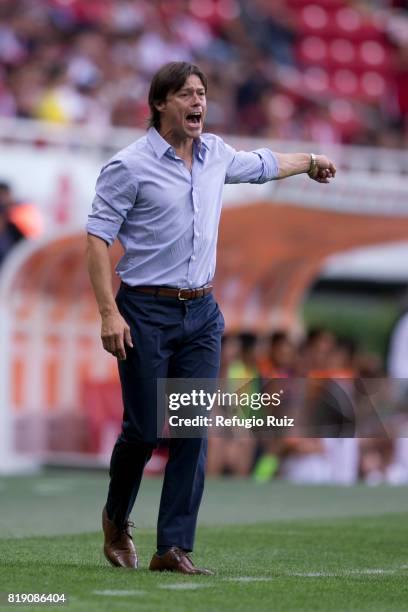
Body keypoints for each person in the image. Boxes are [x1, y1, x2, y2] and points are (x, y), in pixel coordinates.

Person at [86, 61, 336, 575]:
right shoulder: (128, 166)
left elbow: (264, 163)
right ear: (160, 104)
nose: (198, 103)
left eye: (201, 93)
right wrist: (108, 313)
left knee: (192, 427)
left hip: (201, 312)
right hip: (144, 310)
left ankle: (172, 547)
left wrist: (310, 160)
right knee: (144, 428)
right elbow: (95, 239)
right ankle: (116, 518)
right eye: (185, 95)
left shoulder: (216, 154)